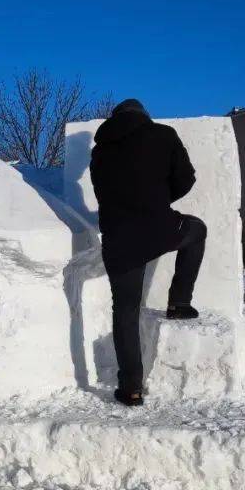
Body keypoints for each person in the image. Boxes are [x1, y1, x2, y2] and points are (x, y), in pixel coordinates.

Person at [89, 98, 207, 407]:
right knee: (197, 231)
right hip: (160, 229)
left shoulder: (99, 152)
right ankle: (180, 302)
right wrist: (157, 196)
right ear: (144, 116)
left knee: (126, 312)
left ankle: (131, 388)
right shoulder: (164, 135)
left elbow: (102, 193)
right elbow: (186, 179)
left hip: (118, 239)